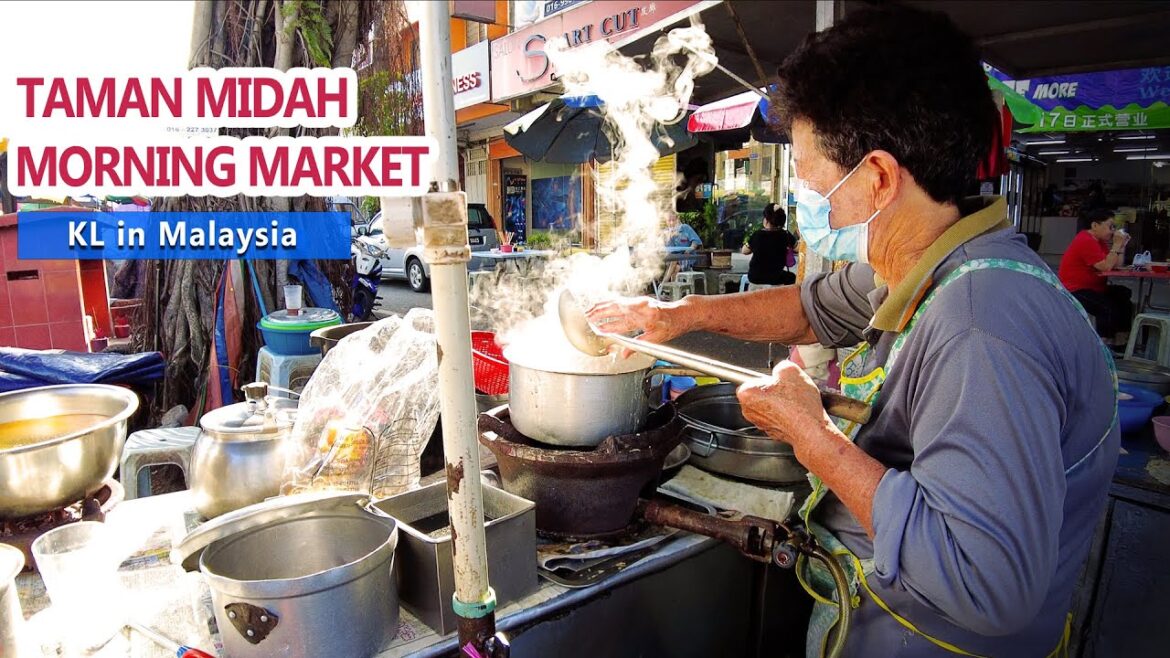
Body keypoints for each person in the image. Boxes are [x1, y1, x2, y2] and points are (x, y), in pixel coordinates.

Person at [588, 6, 1118, 657]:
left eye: (814, 181)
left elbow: (988, 586)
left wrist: (812, 436)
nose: (813, 200)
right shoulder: (928, 263)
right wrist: (681, 317)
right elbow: (812, 309)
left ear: (877, 177)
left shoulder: (982, 324)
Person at [1057, 207, 1133, 346]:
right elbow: (1105, 266)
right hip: (1076, 289)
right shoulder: (1085, 240)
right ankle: (1105, 342)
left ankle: (1121, 340)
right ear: (1095, 225)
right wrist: (1116, 244)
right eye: (1110, 226)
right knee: (1106, 306)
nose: (1112, 230)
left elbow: (1115, 264)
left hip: (1095, 287)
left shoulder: (1100, 242)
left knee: (1124, 296)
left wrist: (1121, 246)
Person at [742, 203, 797, 285]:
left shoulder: (758, 234)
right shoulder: (785, 234)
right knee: (792, 277)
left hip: (755, 277)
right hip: (776, 278)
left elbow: (744, 251)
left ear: (766, 220)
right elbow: (798, 248)